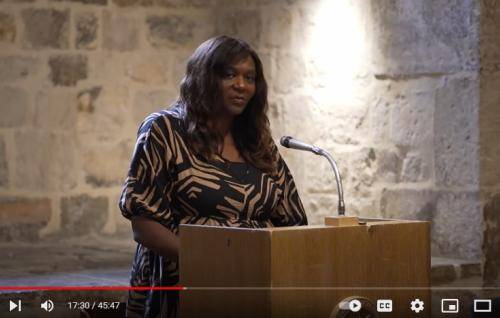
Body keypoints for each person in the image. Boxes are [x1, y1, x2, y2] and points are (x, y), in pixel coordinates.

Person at [119, 35, 308, 318]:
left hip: (253, 287)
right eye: (229, 74)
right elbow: (143, 223)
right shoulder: (165, 130)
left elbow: (292, 220)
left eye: (249, 77)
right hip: (185, 286)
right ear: (204, 78)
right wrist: (210, 264)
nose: (241, 85)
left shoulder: (258, 142)